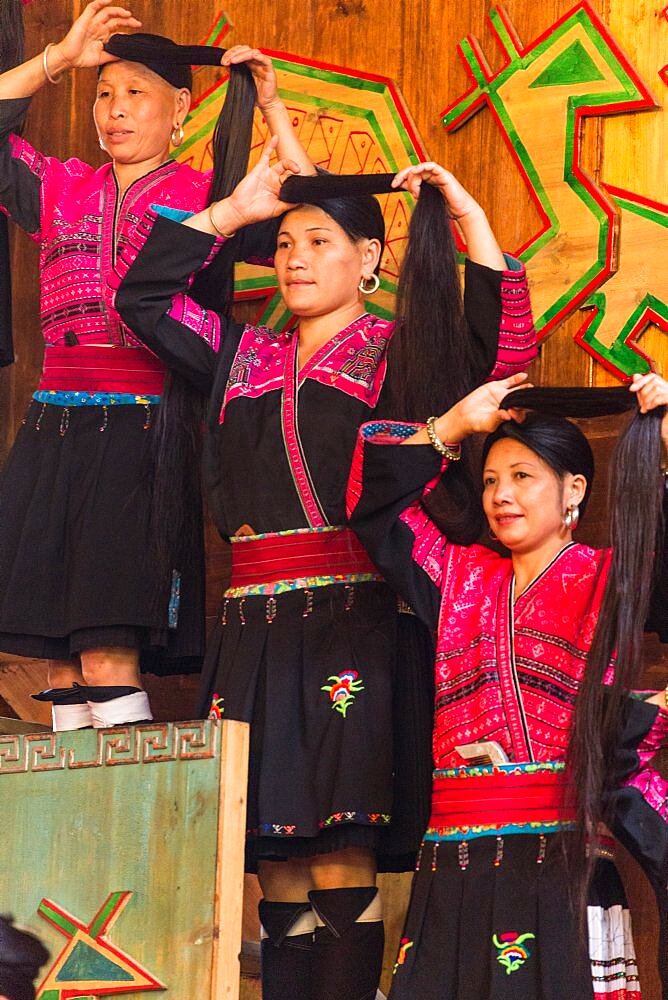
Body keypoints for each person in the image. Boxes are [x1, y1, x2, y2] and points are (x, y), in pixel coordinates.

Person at [114, 148, 536, 999]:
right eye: (285, 244)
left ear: (371, 260)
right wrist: (232, 213)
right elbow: (143, 298)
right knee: (274, 858)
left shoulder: (401, 355)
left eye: (318, 240)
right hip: (254, 627)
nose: (295, 257)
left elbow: (505, 349)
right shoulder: (240, 354)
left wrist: (469, 219)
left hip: (357, 624)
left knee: (341, 848)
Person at [0, 0, 311, 730]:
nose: (114, 109)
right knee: (53, 662)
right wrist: (60, 58)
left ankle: (129, 827)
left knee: (107, 655)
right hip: (52, 430)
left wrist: (274, 109)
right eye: (105, 93)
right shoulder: (62, 186)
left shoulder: (210, 195)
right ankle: (75, 838)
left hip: (143, 431)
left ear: (181, 109)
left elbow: (310, 212)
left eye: (135, 92)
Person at [346, 371, 668, 999]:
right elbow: (372, 502)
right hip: (454, 863)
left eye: (523, 477)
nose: (501, 495)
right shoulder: (456, 576)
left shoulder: (615, 577)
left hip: (561, 861)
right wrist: (452, 428)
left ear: (573, 489)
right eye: (491, 479)